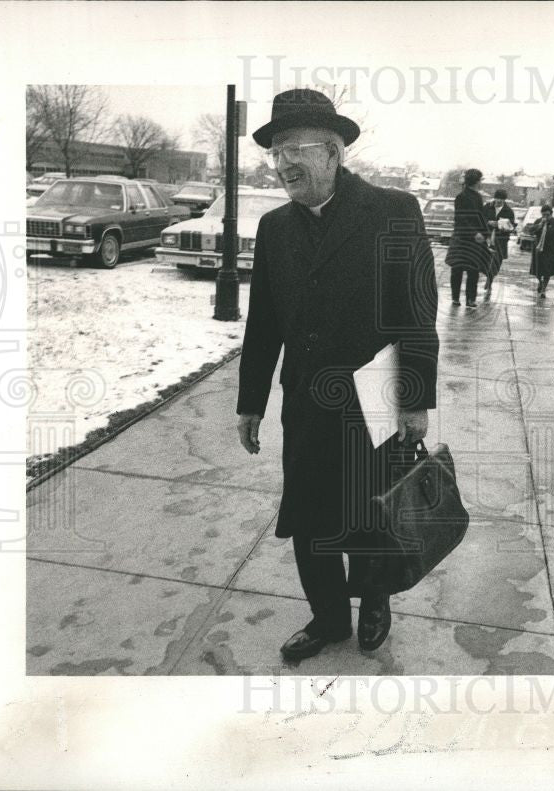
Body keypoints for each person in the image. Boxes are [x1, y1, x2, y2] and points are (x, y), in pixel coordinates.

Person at [236, 89, 439, 662]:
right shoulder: (275, 228)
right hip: (305, 397)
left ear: (333, 152)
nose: (282, 166)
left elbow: (418, 311)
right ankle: (328, 617)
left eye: (293, 150)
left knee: (372, 510)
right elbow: (264, 322)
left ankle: (374, 601)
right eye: (276, 154)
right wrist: (250, 400)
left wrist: (415, 400)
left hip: (374, 395)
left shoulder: (394, 211)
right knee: (307, 515)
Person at [445, 169, 490, 307]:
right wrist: (475, 233)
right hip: (462, 237)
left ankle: (471, 299)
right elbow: (461, 219)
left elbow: (481, 217)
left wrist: (485, 234)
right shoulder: (461, 197)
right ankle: (455, 298)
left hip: (475, 239)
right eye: (480, 180)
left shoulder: (478, 197)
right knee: (457, 269)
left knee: (473, 270)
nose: (481, 182)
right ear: (476, 181)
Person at [482, 188, 517, 295]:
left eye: (501, 199)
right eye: (497, 198)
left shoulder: (509, 211)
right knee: (486, 260)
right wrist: (488, 222)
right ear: (494, 198)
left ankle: (490, 279)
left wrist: (499, 224)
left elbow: (511, 226)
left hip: (500, 240)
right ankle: (488, 276)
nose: (498, 201)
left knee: (496, 262)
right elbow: (480, 218)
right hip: (487, 237)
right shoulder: (487, 207)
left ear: (504, 200)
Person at [528, 204, 554, 298]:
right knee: (537, 270)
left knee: (547, 271)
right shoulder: (538, 221)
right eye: (543, 215)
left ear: (551, 214)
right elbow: (531, 231)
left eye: (547, 215)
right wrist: (539, 225)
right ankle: (540, 283)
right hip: (538, 250)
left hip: (551, 250)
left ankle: (543, 289)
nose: (545, 217)